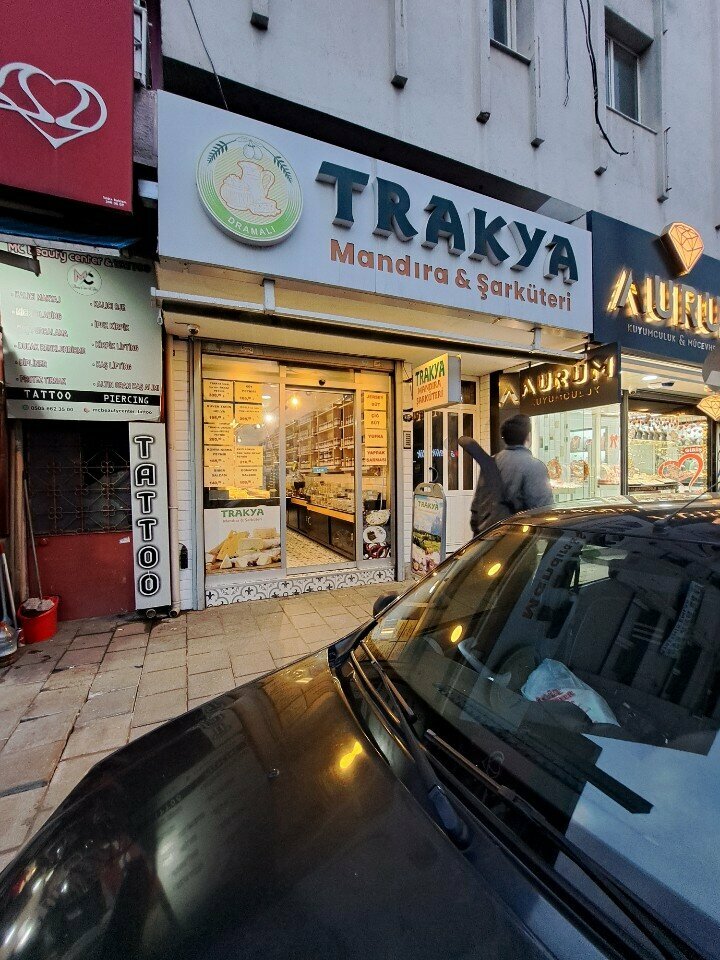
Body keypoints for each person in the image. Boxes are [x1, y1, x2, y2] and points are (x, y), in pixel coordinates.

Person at [469, 414, 553, 536]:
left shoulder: (491, 462)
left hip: (486, 540)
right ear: (528, 436)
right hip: (516, 544)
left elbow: (476, 507)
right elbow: (544, 511)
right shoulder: (535, 466)